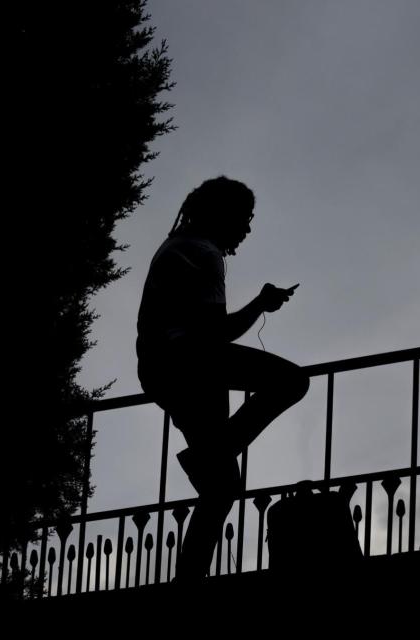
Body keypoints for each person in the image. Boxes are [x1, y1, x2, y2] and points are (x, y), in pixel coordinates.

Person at [136, 176, 310, 582]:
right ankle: (208, 456)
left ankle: (188, 579)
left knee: (221, 487)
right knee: (291, 381)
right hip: (191, 365)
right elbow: (218, 334)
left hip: (162, 370)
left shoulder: (176, 246)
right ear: (224, 214)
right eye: (244, 218)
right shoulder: (203, 252)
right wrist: (260, 305)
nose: (248, 228)